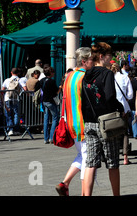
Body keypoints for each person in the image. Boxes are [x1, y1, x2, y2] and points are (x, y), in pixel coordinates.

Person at [81, 42, 124, 196]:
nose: (110, 60)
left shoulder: (86, 75)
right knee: (112, 163)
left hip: (89, 122)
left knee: (90, 163)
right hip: (105, 123)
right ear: (101, 56)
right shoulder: (106, 74)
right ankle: (116, 195)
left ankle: (87, 194)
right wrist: (120, 107)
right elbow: (110, 96)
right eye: (109, 56)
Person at [55, 47, 94, 196]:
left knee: (82, 155)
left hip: (71, 122)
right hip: (83, 123)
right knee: (88, 159)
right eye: (92, 60)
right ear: (84, 61)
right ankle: (85, 193)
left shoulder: (69, 75)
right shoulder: (85, 77)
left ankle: (64, 183)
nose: (94, 62)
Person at [111, 62, 134, 165]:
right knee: (125, 132)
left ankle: (113, 155)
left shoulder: (108, 78)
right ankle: (125, 157)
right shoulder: (125, 78)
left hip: (111, 109)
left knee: (112, 132)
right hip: (124, 108)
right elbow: (130, 95)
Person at [35, 66, 59, 144]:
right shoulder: (52, 81)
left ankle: (46, 138)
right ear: (51, 73)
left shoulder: (42, 80)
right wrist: (60, 88)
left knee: (46, 119)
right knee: (55, 118)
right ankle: (51, 137)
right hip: (51, 101)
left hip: (44, 101)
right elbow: (55, 92)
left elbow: (36, 88)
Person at [2, 68, 23, 136]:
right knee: (16, 114)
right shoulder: (20, 80)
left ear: (11, 72)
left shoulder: (7, 80)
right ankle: (16, 129)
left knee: (8, 114)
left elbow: (2, 89)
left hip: (7, 98)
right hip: (16, 99)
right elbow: (25, 89)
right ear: (18, 73)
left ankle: (10, 129)